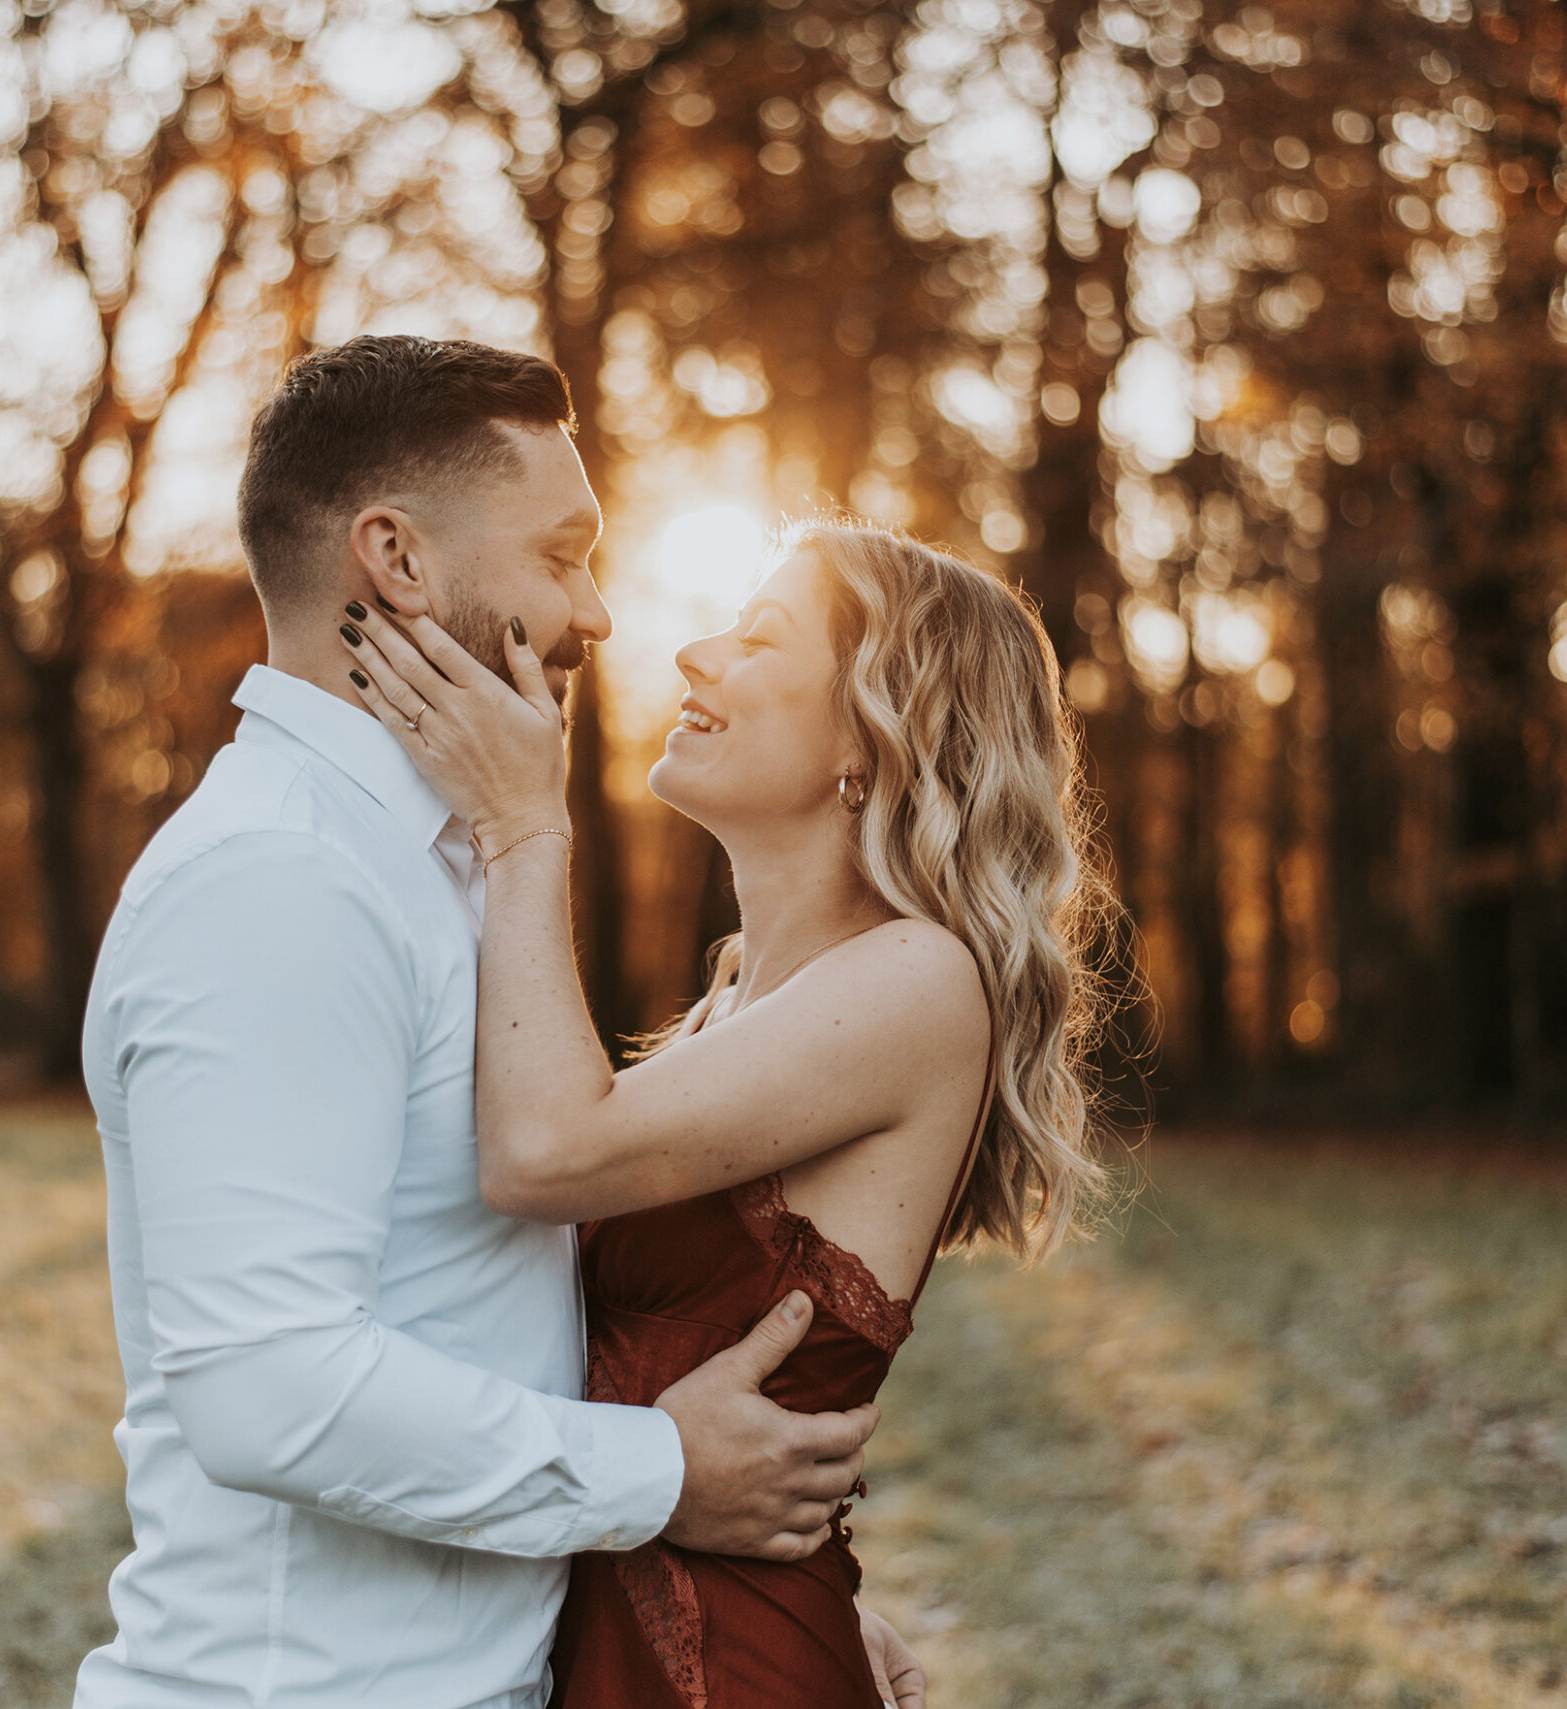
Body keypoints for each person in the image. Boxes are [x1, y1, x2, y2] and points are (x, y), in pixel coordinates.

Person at [73, 336, 926, 1709]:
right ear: (399, 562)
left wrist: (767, 1598)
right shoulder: (280, 881)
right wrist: (662, 1476)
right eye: (562, 555)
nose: (597, 613)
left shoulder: (453, 863)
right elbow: (267, 1385)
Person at [337, 515, 1126, 1707]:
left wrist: (524, 823)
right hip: (615, 1636)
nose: (694, 654)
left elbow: (542, 1151)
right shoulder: (734, 996)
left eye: (757, 638)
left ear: (875, 724)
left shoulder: (919, 980)